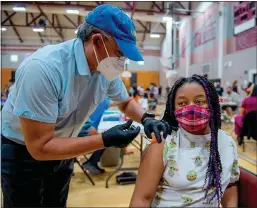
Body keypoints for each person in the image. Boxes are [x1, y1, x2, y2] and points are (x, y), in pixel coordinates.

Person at [1, 5, 170, 208]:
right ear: (97, 40)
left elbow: (125, 103)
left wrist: (146, 118)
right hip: (23, 154)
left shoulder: (104, 67)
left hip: (64, 148)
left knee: (56, 202)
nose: (122, 62)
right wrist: (104, 140)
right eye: (119, 53)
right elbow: (40, 147)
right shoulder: (44, 69)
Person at [130, 75, 239, 207]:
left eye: (199, 101)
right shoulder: (162, 143)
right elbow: (142, 199)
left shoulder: (226, 143)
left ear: (212, 104)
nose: (191, 108)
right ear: (173, 108)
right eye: (182, 103)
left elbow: (230, 184)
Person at [78, 98, 113, 174]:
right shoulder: (100, 99)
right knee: (105, 139)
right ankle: (91, 163)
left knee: (106, 138)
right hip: (84, 131)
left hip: (87, 128)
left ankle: (91, 162)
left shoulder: (101, 98)